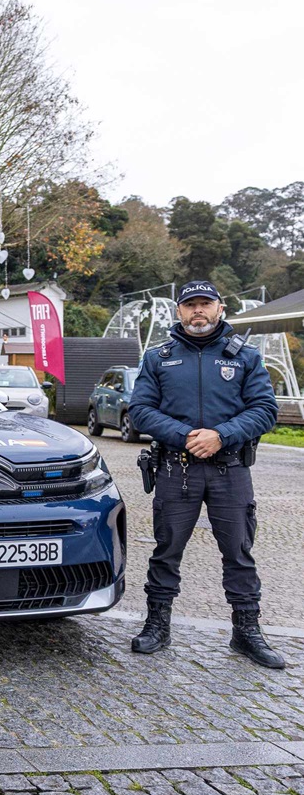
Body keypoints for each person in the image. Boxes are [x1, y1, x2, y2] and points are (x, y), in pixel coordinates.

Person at [128, 280, 284, 668]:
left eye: (206, 304)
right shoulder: (157, 357)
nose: (198, 311)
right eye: (190, 305)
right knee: (166, 550)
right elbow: (141, 410)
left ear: (220, 309)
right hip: (175, 469)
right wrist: (186, 437)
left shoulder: (246, 357)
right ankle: (157, 626)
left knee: (239, 553)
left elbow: (266, 410)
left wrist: (221, 435)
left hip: (229, 469)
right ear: (179, 312)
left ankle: (246, 632)